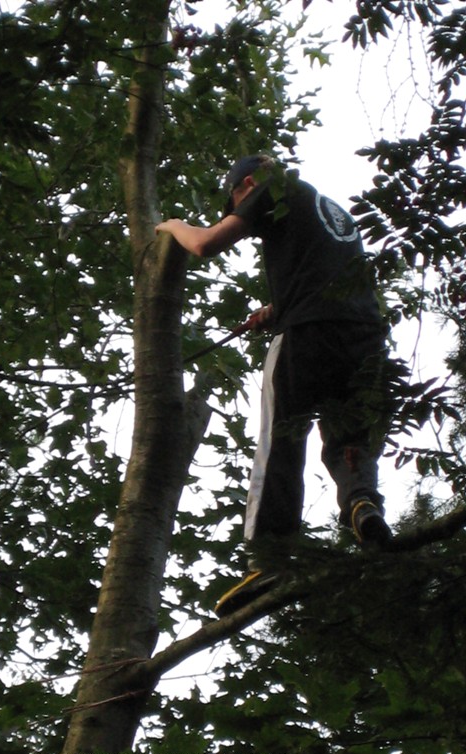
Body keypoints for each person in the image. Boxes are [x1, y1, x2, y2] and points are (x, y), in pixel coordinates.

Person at [155, 154, 392, 617]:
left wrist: (174, 226)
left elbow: (205, 244)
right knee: (349, 433)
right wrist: (275, 307)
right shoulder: (332, 211)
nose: (238, 209)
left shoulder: (273, 188)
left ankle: (271, 559)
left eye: (235, 201)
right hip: (364, 337)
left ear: (246, 183)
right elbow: (323, 277)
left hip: (306, 336)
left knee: (281, 438)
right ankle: (362, 504)